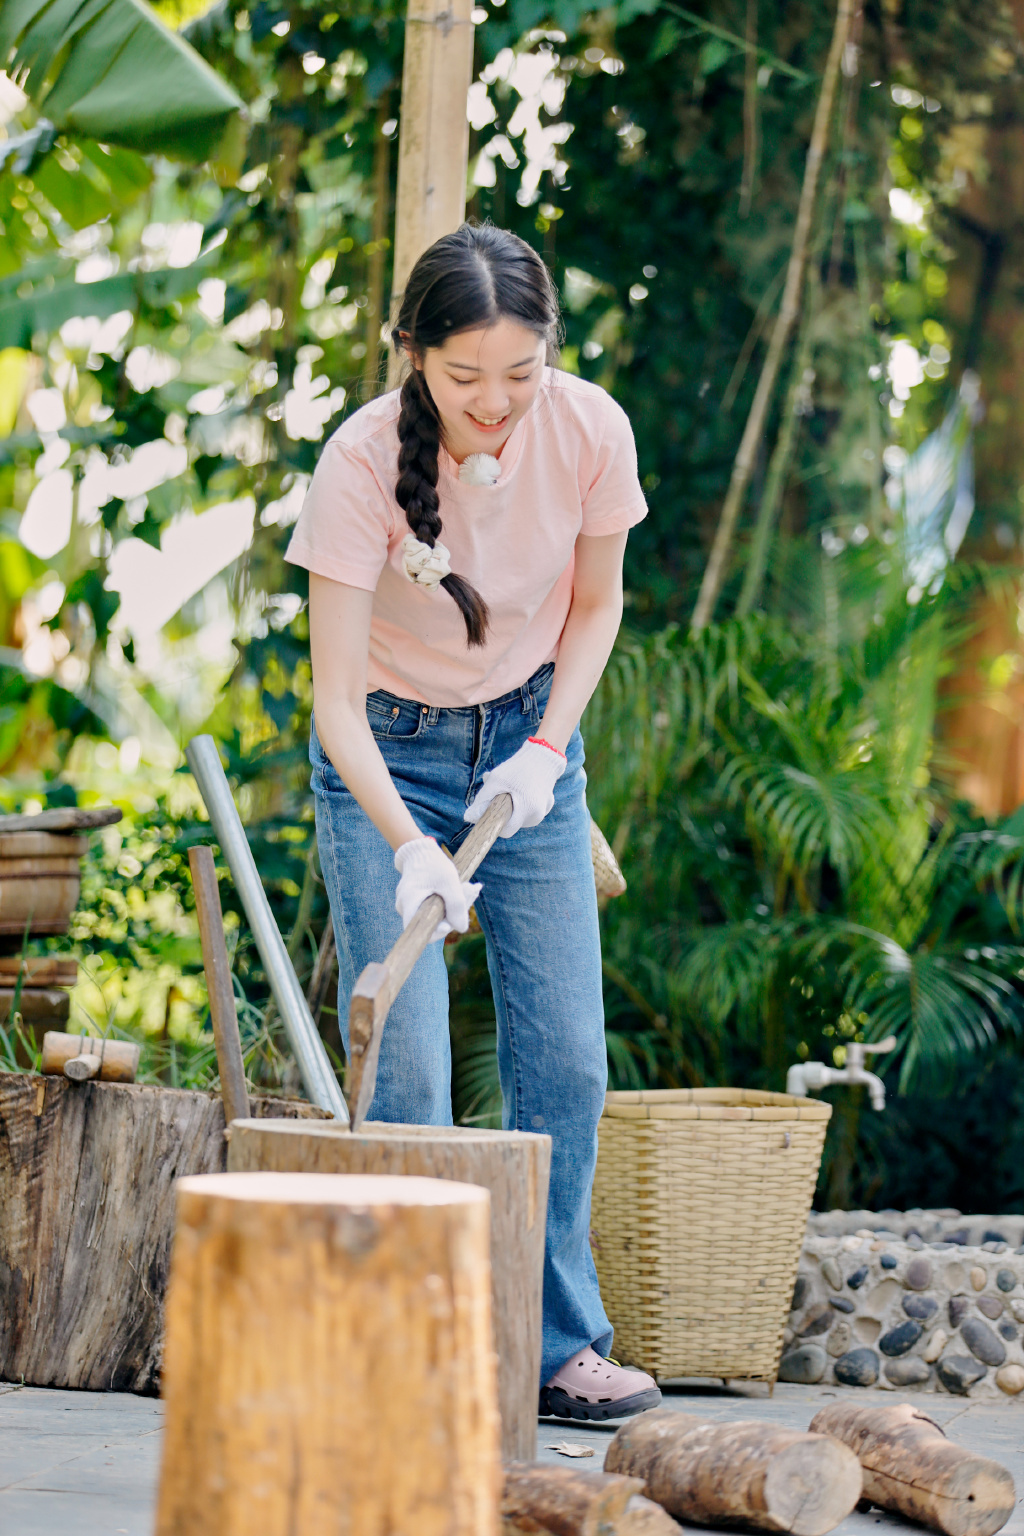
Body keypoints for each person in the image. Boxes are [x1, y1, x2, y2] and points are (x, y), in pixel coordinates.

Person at [286, 222, 660, 1422]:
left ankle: (559, 1347)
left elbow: (595, 607)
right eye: (464, 377)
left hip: (529, 755)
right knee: (410, 1072)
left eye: (521, 371)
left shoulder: (591, 428)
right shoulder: (356, 466)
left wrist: (549, 751)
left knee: (564, 1057)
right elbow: (334, 701)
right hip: (387, 759)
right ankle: (424, 1355)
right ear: (410, 353)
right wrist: (409, 853)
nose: (495, 402)